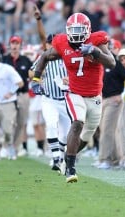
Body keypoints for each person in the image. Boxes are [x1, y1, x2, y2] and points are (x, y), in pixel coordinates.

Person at [31, 12, 116, 183]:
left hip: (95, 95)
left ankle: (66, 157)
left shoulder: (96, 40)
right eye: (73, 29)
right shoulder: (62, 43)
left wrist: (95, 52)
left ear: (88, 29)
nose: (76, 33)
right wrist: (36, 79)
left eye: (80, 29)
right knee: (77, 123)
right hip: (74, 92)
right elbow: (45, 56)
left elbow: (111, 63)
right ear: (67, 30)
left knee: (87, 134)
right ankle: (71, 169)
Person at [32, 5, 71, 173]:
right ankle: (56, 157)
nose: (50, 46)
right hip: (48, 98)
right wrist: (37, 79)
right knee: (51, 124)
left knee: (68, 133)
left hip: (65, 99)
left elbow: (78, 73)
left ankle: (59, 153)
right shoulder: (44, 58)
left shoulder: (67, 58)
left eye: (53, 43)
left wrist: (70, 78)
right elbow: (32, 71)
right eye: (49, 43)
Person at [96, 40, 125, 169]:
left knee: (107, 129)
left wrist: (122, 95)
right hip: (103, 99)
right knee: (106, 129)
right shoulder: (101, 63)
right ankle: (114, 158)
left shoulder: (116, 63)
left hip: (114, 100)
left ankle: (105, 159)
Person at [0, 49, 24, 160]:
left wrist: (11, 92)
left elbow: (20, 83)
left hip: (8, 103)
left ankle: (9, 147)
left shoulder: (7, 69)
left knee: (8, 129)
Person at [2, 35, 33, 157]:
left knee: (21, 123)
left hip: (23, 94)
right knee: (9, 122)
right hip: (8, 96)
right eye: (13, 43)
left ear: (20, 45)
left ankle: (14, 147)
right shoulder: (4, 60)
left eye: (17, 43)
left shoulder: (26, 60)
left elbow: (32, 74)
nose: (15, 46)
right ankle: (5, 145)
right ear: (10, 45)